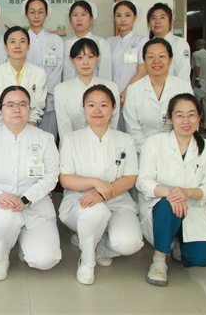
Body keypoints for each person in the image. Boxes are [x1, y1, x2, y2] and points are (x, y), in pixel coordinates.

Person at [0, 86, 62, 281]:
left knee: (45, 260)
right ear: (0, 110)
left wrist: (26, 199)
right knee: (6, 219)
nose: (17, 109)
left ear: (30, 108)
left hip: (36, 206)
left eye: (22, 104)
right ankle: (1, 258)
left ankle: (24, 244)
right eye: (10, 105)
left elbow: (51, 176)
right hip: (0, 206)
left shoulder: (45, 139)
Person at [58, 85, 143, 285]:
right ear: (83, 108)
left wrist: (102, 194)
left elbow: (130, 178)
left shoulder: (125, 140)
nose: (97, 110)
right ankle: (87, 261)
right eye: (91, 105)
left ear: (113, 108)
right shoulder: (71, 140)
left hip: (117, 200)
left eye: (103, 105)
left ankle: (101, 248)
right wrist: (95, 183)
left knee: (130, 244)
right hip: (80, 201)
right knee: (95, 212)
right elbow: (65, 179)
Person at [137, 93, 206, 286]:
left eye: (191, 115)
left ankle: (178, 244)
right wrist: (172, 194)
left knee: (202, 258)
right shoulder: (154, 143)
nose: (186, 121)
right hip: (161, 207)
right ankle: (159, 262)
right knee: (168, 205)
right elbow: (143, 181)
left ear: (199, 117)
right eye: (180, 115)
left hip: (192, 208)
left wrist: (187, 193)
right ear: (170, 118)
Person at [123, 38, 193, 153]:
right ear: (144, 60)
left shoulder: (183, 87)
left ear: (170, 59)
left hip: (177, 152)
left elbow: (190, 122)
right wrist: (151, 152)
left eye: (162, 56)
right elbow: (133, 129)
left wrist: (173, 151)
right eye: (151, 57)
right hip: (143, 153)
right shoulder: (134, 90)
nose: (156, 61)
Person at [54, 38, 120, 144]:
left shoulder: (111, 87)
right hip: (72, 147)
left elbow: (112, 124)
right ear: (71, 60)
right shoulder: (61, 90)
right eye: (80, 57)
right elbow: (64, 129)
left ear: (97, 58)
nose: (85, 62)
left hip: (104, 146)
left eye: (90, 57)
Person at [0, 26, 47, 127]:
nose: (17, 46)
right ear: (5, 46)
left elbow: (38, 105)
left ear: (28, 46)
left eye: (22, 41)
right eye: (12, 42)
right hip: (3, 128)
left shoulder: (39, 73)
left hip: (30, 127)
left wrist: (29, 130)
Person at [24, 0, 64, 136]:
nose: (36, 16)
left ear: (46, 14)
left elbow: (58, 69)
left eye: (40, 12)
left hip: (49, 100)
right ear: (26, 14)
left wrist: (44, 94)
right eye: (32, 12)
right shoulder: (21, 40)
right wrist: (29, 95)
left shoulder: (56, 40)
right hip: (25, 100)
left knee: (49, 138)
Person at [107, 0, 147, 130]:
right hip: (112, 99)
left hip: (132, 97)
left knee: (133, 133)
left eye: (128, 15)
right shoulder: (109, 42)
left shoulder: (142, 41)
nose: (123, 19)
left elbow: (142, 72)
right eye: (119, 15)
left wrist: (123, 95)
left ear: (135, 17)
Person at [62, 0, 112, 82]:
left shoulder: (101, 43)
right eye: (75, 15)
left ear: (91, 18)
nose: (79, 19)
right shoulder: (64, 44)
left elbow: (105, 75)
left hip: (94, 89)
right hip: (68, 88)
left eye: (83, 14)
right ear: (70, 19)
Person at [147, 3, 191, 81]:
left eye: (162, 18)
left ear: (171, 21)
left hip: (174, 88)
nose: (157, 21)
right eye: (153, 18)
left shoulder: (179, 43)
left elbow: (183, 74)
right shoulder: (147, 45)